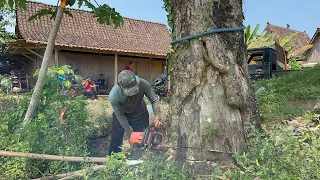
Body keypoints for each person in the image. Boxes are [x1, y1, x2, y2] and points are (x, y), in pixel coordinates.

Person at [108, 70, 162, 155]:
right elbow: (120, 116)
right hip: (122, 115)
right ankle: (113, 161)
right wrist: (130, 133)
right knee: (116, 139)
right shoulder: (114, 95)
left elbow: (154, 100)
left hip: (140, 114)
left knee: (144, 139)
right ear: (119, 86)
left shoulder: (144, 84)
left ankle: (143, 160)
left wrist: (157, 118)